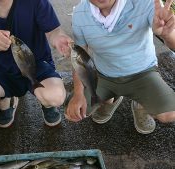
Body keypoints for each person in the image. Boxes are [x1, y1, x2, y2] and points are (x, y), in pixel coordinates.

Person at [66, 0, 175, 134]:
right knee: (73, 111)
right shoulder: (79, 13)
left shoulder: (145, 3)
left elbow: (173, 45)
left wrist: (167, 34)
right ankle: (110, 100)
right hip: (103, 75)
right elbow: (79, 57)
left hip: (143, 74)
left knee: (169, 113)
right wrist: (78, 94)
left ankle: (141, 104)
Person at [0, 0, 72, 128]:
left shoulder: (36, 2)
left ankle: (47, 104)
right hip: (3, 70)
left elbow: (53, 31)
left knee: (55, 96)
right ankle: (7, 99)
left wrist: (59, 38)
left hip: (36, 65)